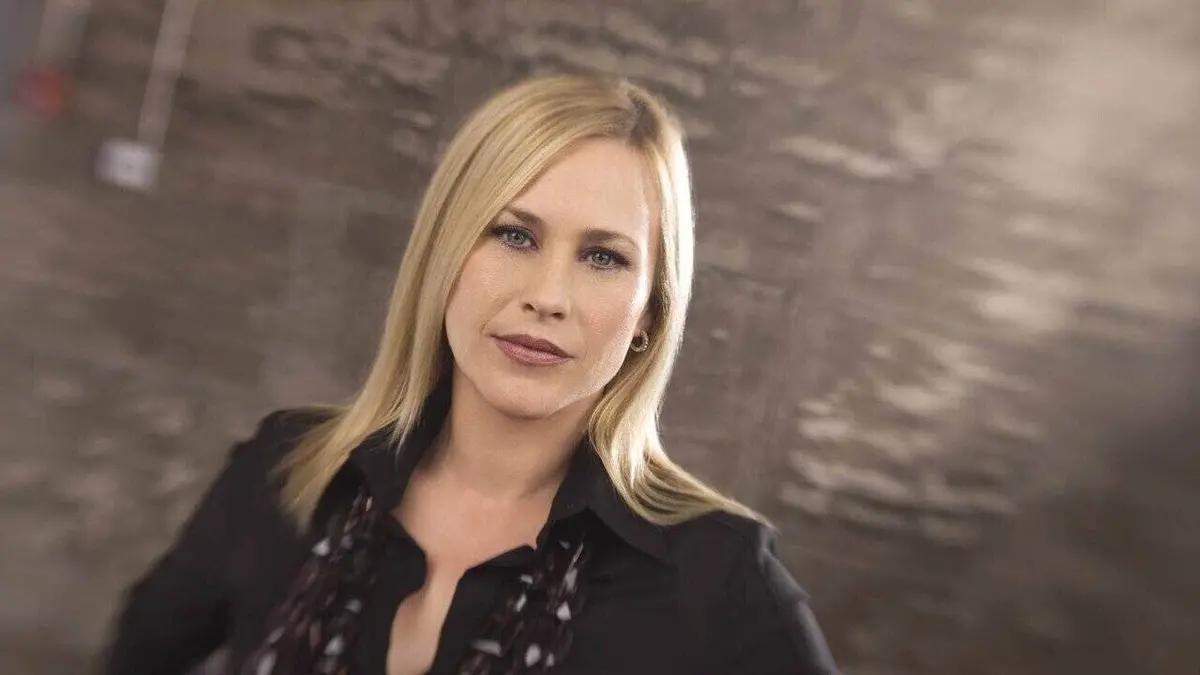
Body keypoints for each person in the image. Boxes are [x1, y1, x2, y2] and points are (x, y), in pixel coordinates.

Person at [101, 74, 839, 675]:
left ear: (650, 311)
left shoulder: (719, 578)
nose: (547, 296)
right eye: (514, 235)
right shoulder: (285, 470)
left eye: (603, 256)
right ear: (444, 255)